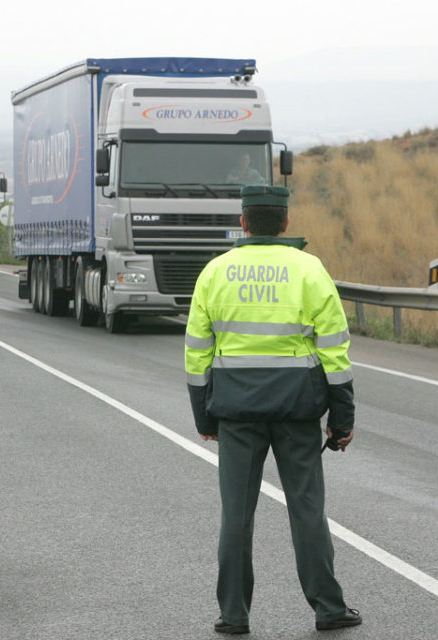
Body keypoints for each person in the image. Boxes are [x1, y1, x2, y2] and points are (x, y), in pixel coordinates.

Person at [184, 184, 361, 635]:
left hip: (236, 413)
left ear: (243, 222)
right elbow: (335, 352)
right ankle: (328, 608)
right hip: (297, 412)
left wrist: (204, 417)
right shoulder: (309, 270)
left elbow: (197, 353)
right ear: (285, 223)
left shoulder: (215, 272)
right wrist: (341, 420)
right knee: (306, 509)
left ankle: (233, 615)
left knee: (236, 516)